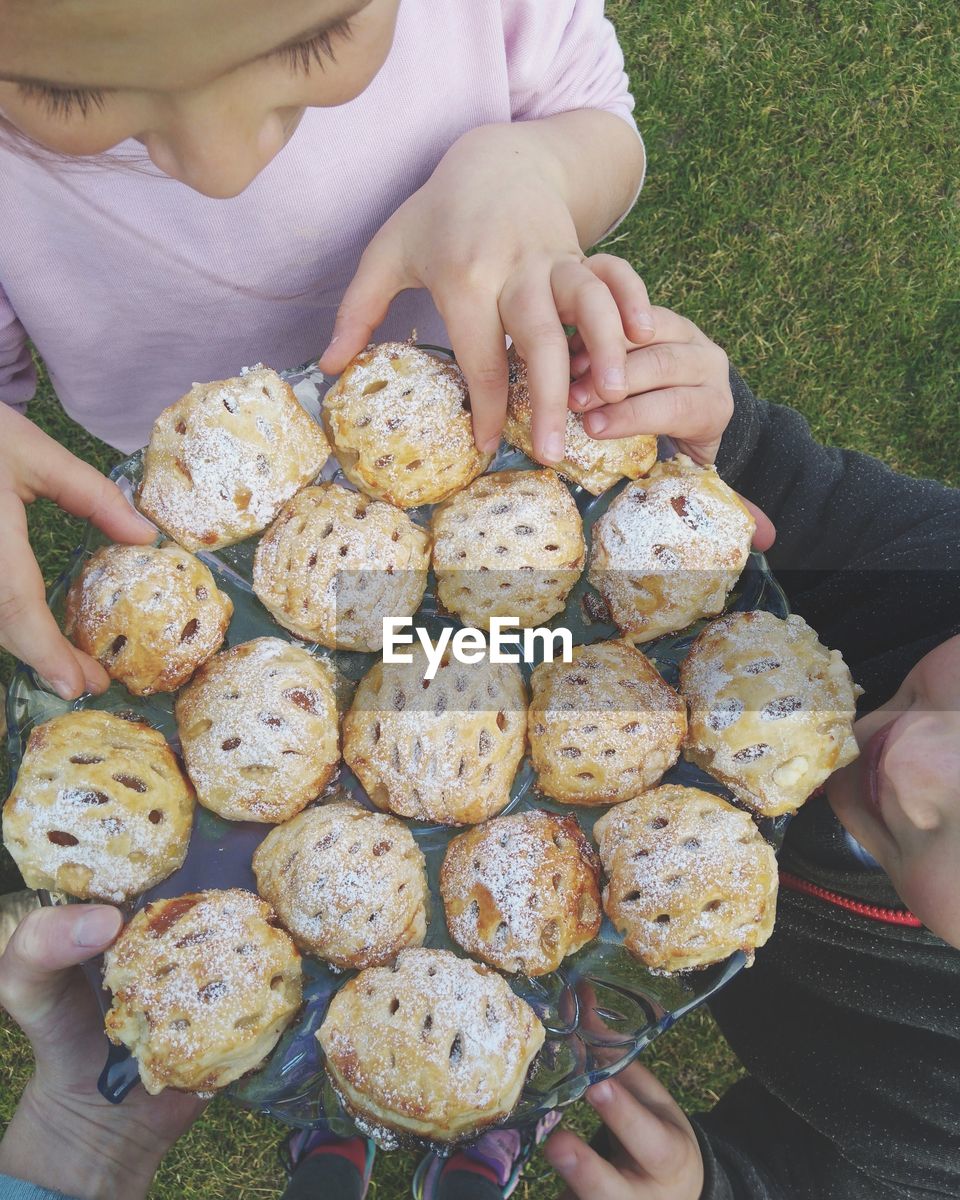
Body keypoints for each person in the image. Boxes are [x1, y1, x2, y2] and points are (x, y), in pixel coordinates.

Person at [1, 301, 958, 1200]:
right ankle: (403, 1159)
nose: (923, 765)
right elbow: (811, 500)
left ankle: (361, 1157)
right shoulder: (933, 571)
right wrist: (733, 448)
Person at [0, 0, 656, 704]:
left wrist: (534, 171)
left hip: (464, 402)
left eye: (315, 41)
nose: (221, 167)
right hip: (194, 473)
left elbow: (594, 111)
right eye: (68, 94)